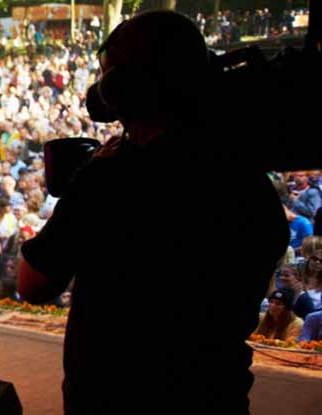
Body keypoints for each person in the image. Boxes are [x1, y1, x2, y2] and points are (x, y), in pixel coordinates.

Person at [17, 11, 288, 414]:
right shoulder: (249, 182)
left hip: (113, 399)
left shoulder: (106, 184)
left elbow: (32, 284)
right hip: (215, 396)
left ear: (120, 90)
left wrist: (83, 187)